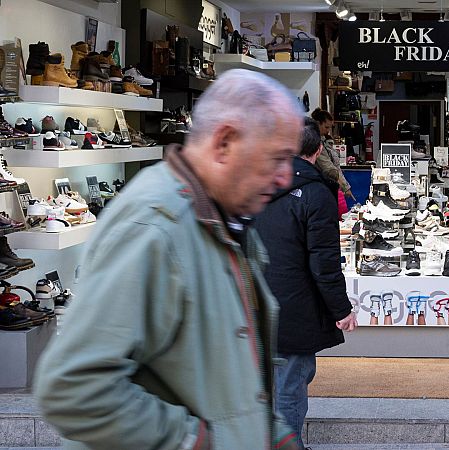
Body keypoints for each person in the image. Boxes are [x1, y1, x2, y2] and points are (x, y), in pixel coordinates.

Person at [33, 69, 304, 450]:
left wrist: (273, 436)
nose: (285, 178)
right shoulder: (156, 225)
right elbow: (73, 388)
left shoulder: (220, 219)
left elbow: (226, 367)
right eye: (277, 158)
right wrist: (196, 442)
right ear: (225, 142)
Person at [255, 118, 358, 448]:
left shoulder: (254, 184)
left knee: (264, 387)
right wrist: (342, 309)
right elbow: (324, 263)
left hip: (252, 303)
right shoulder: (316, 195)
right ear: (317, 150)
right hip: (295, 308)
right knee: (291, 386)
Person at [311, 108, 355, 212]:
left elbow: (334, 163)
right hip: (324, 186)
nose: (328, 130)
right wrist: (345, 187)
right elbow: (329, 167)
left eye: (329, 128)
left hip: (329, 184)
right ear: (318, 124)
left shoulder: (325, 141)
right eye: (326, 127)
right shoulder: (316, 143)